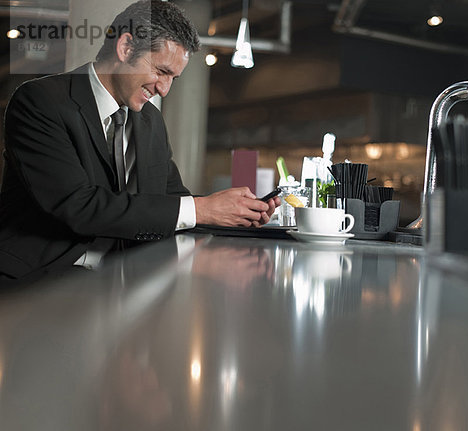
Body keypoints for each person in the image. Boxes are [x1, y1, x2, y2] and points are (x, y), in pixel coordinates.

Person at [0, 0, 280, 283]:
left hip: (120, 279)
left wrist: (237, 214)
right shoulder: (40, 101)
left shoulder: (151, 121)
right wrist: (202, 209)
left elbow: (173, 202)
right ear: (125, 48)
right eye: (161, 71)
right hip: (39, 281)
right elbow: (78, 206)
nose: (164, 89)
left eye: (174, 78)